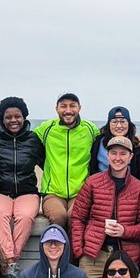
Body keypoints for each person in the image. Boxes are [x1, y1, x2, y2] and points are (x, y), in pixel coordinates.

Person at [70, 135, 140, 278]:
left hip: (126, 257)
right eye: (113, 153)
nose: (118, 158)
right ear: (107, 155)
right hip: (93, 255)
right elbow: (78, 217)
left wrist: (125, 231)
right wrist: (79, 250)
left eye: (123, 154)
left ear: (130, 157)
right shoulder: (92, 183)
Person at [0, 96, 45, 263]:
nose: (13, 120)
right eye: (8, 117)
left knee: (26, 216)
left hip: (27, 192)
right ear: (1, 119)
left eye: (17, 116)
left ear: (24, 117)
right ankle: (10, 260)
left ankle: (10, 261)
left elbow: (47, 165)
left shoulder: (33, 139)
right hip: (0, 191)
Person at [35, 93, 101, 228]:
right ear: (56, 108)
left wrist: (135, 138)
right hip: (52, 192)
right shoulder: (47, 128)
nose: (68, 110)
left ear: (79, 108)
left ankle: (73, 249)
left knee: (75, 216)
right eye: (63, 106)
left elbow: (108, 139)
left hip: (81, 191)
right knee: (58, 216)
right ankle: (57, 249)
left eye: (72, 106)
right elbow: (24, 137)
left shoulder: (90, 129)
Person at [89, 106, 140, 181]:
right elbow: (92, 169)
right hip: (101, 187)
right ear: (108, 124)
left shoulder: (138, 146)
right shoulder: (98, 143)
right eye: (114, 122)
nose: (119, 126)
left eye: (123, 122)